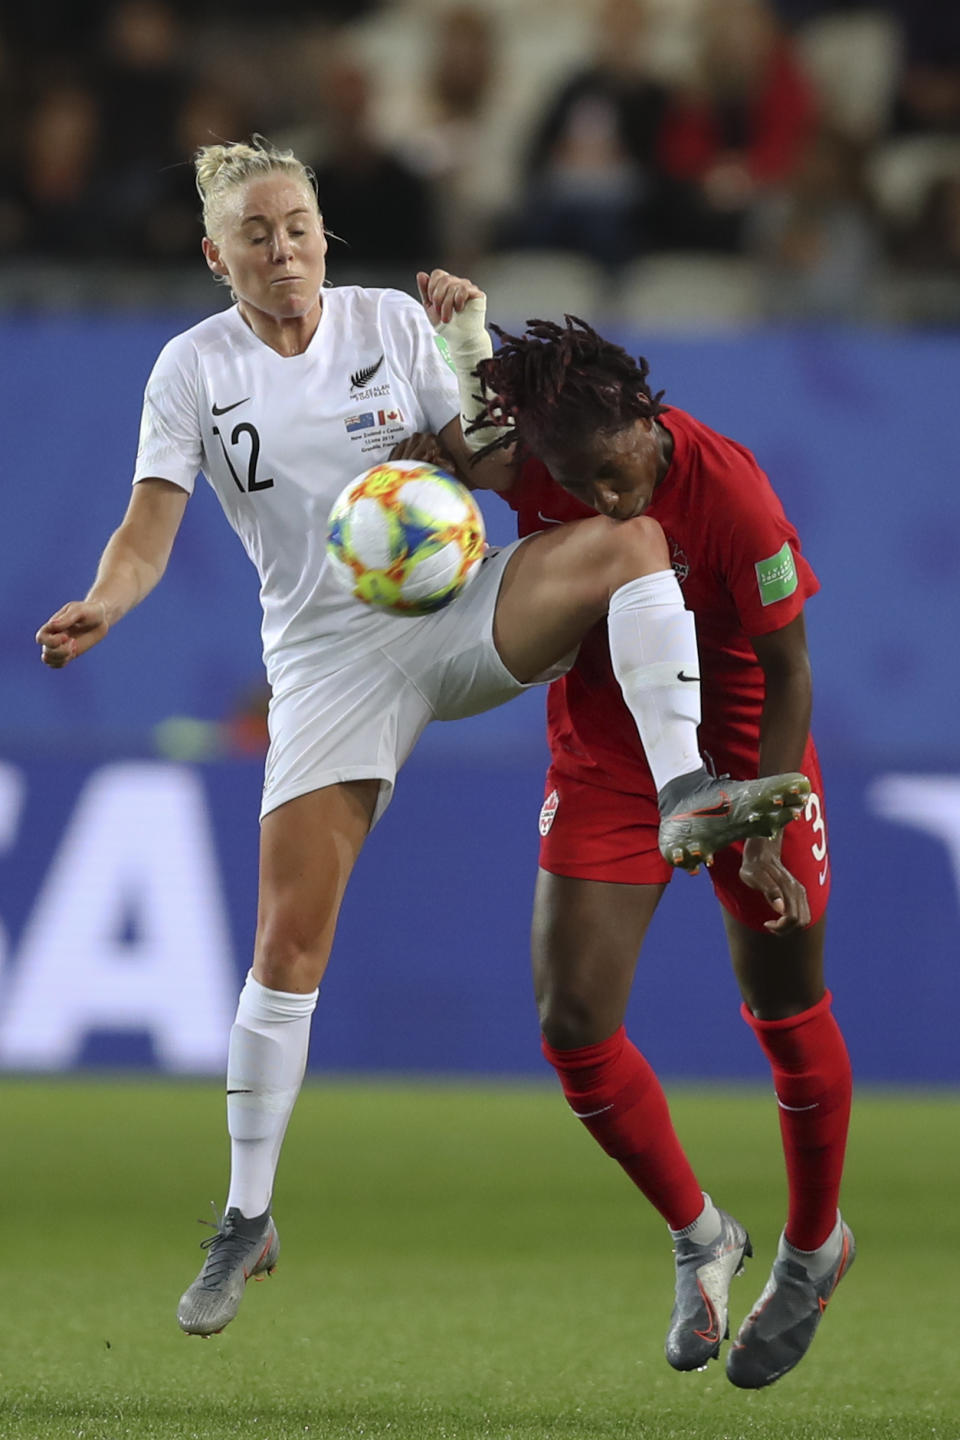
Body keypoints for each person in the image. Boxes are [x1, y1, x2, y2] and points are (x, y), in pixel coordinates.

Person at [34, 138, 809, 1342]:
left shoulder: (389, 325)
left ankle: (685, 788)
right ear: (215, 255)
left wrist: (462, 351)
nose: (282, 250)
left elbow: (502, 461)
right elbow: (148, 527)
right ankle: (248, 1217)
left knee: (633, 543)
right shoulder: (192, 369)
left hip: (456, 607)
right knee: (288, 943)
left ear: (323, 231)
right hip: (328, 662)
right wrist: (106, 602)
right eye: (256, 235)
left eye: (297, 226)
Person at [467, 315, 854, 1390]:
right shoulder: (542, 462)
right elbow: (456, 432)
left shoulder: (731, 493)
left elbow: (791, 675)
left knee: (785, 1008)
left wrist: (767, 825)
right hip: (609, 757)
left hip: (739, 760)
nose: (603, 503)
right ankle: (700, 1235)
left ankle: (815, 1244)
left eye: (611, 471)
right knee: (572, 1025)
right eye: (574, 483)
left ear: (646, 416)